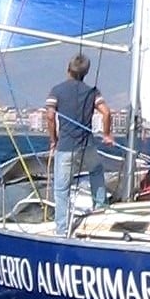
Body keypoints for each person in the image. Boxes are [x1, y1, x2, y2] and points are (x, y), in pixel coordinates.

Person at [43, 54, 111, 235]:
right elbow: (106, 113)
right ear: (86, 72)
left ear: (68, 69)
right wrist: (106, 135)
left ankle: (62, 230)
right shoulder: (92, 92)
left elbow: (50, 117)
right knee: (96, 170)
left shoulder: (56, 90)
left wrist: (53, 140)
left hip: (65, 147)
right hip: (87, 145)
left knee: (61, 189)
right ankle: (100, 209)